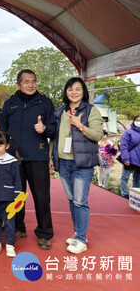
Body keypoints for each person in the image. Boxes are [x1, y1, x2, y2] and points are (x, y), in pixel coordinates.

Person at [0, 69, 56, 250]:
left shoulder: (45, 103)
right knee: (16, 196)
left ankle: (44, 234)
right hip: (14, 158)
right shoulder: (10, 103)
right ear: (18, 84)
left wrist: (44, 129)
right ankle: (18, 227)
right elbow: (2, 130)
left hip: (37, 156)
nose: (30, 85)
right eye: (26, 81)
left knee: (42, 197)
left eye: (33, 81)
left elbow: (54, 130)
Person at [51, 77, 104, 254]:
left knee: (80, 201)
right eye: (70, 89)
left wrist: (79, 125)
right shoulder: (59, 112)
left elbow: (97, 135)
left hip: (82, 163)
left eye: (78, 89)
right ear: (66, 92)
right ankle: (78, 233)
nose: (73, 92)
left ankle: (81, 239)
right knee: (72, 199)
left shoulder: (91, 111)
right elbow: (55, 137)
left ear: (83, 92)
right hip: (63, 161)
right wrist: (51, 156)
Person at [119, 115, 140, 199]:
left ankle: (136, 195)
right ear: (134, 121)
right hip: (129, 160)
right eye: (138, 120)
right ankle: (125, 194)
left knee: (137, 179)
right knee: (125, 178)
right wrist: (125, 159)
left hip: (139, 160)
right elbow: (123, 146)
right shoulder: (128, 132)